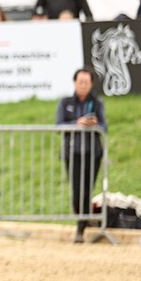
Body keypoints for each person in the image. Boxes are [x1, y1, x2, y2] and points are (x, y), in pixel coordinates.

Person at [56, 68, 106, 243]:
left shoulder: (97, 103)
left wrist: (94, 123)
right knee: (77, 192)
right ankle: (84, 219)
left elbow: (105, 127)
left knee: (87, 190)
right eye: (80, 82)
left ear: (91, 84)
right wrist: (76, 124)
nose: (83, 85)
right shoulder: (66, 102)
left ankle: (81, 227)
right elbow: (59, 125)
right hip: (72, 153)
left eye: (86, 82)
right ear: (75, 83)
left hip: (93, 153)